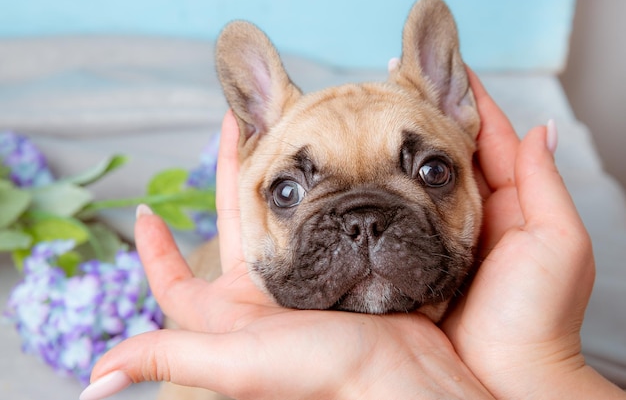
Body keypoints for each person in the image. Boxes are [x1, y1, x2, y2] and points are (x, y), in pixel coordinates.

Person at [79, 69, 626, 400]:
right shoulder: (218, 303)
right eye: (289, 192)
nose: (364, 227)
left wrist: (540, 364)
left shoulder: (512, 339)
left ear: (462, 121)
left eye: (431, 173)